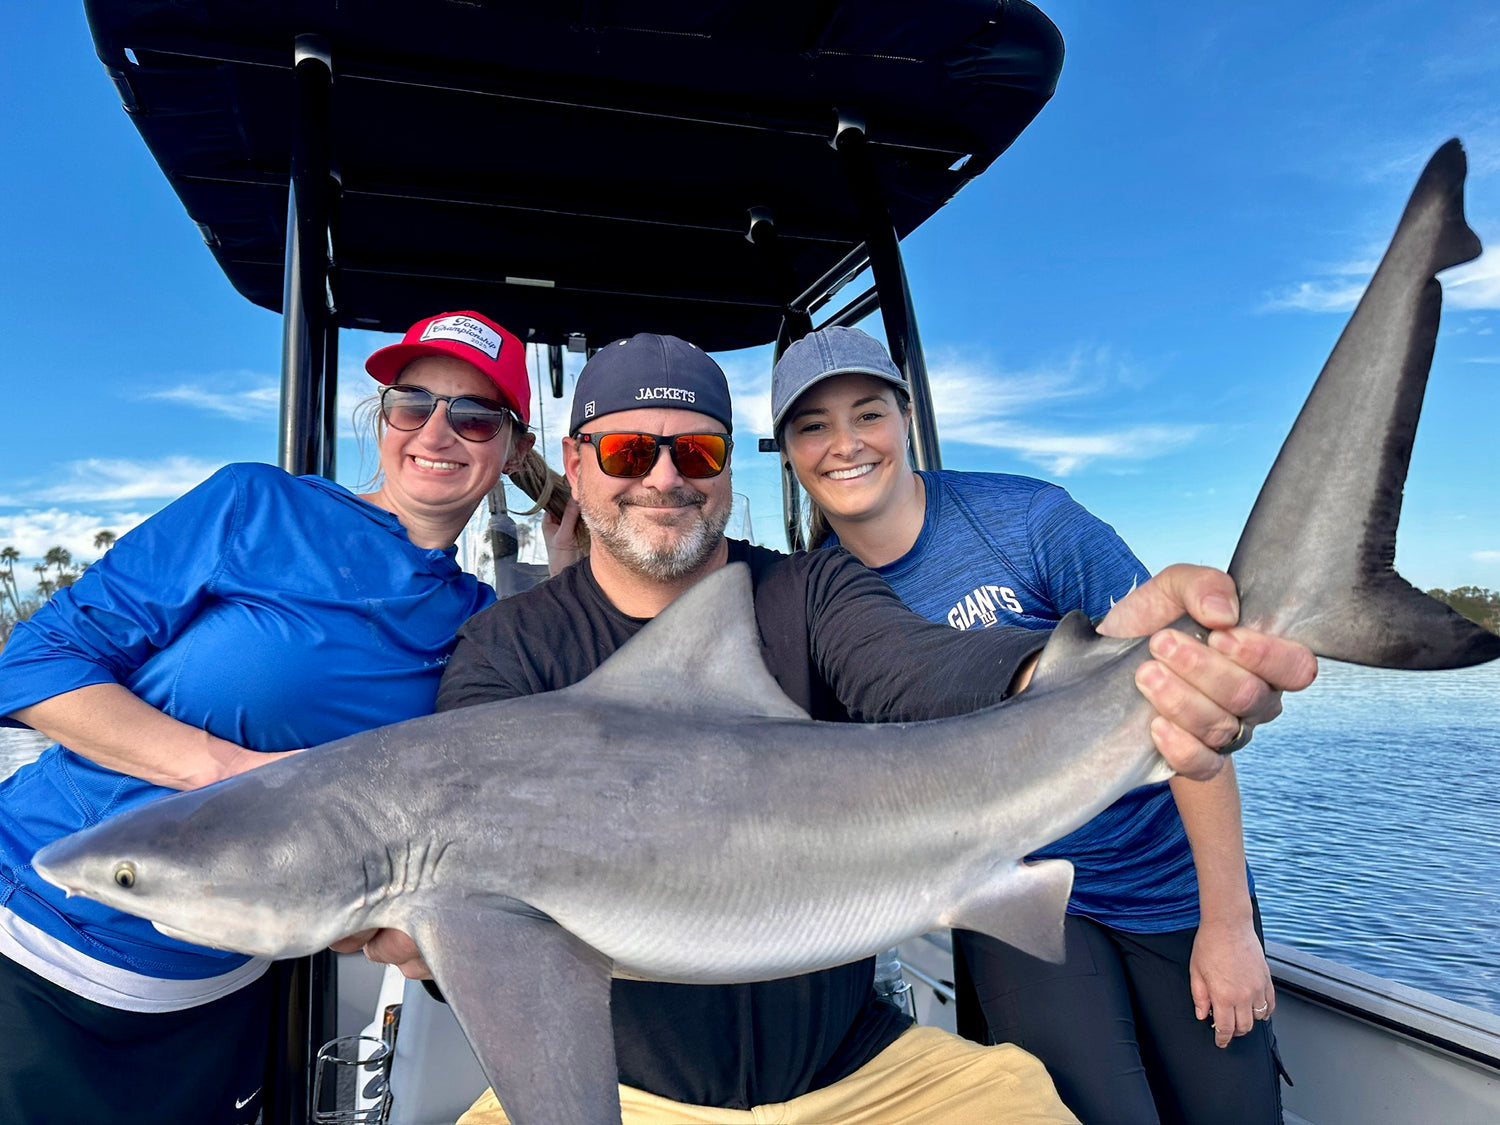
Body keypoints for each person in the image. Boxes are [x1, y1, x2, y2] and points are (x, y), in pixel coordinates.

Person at [348, 332, 1316, 1125]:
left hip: (868, 1074)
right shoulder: (507, 650)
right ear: (575, 463)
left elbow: (926, 670)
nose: (665, 478)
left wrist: (1104, 670)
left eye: (698, 452)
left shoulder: (812, 591)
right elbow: (458, 874)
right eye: (628, 451)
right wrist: (431, 943)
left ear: (730, 466)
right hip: (630, 1088)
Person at [0, 310, 536, 1125]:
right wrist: (243, 777)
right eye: (412, 404)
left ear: (513, 450)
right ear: (383, 418)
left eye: (475, 416)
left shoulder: (484, 626)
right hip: (34, 939)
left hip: (220, 999)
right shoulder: (255, 505)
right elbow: (35, 662)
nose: (437, 432)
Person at [770, 324, 1285, 1122]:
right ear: (787, 453)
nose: (846, 443)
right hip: (1020, 898)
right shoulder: (811, 601)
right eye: (814, 426)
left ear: (906, 417)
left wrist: (1229, 922)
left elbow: (1189, 714)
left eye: (868, 413)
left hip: (1164, 875)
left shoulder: (1027, 520)